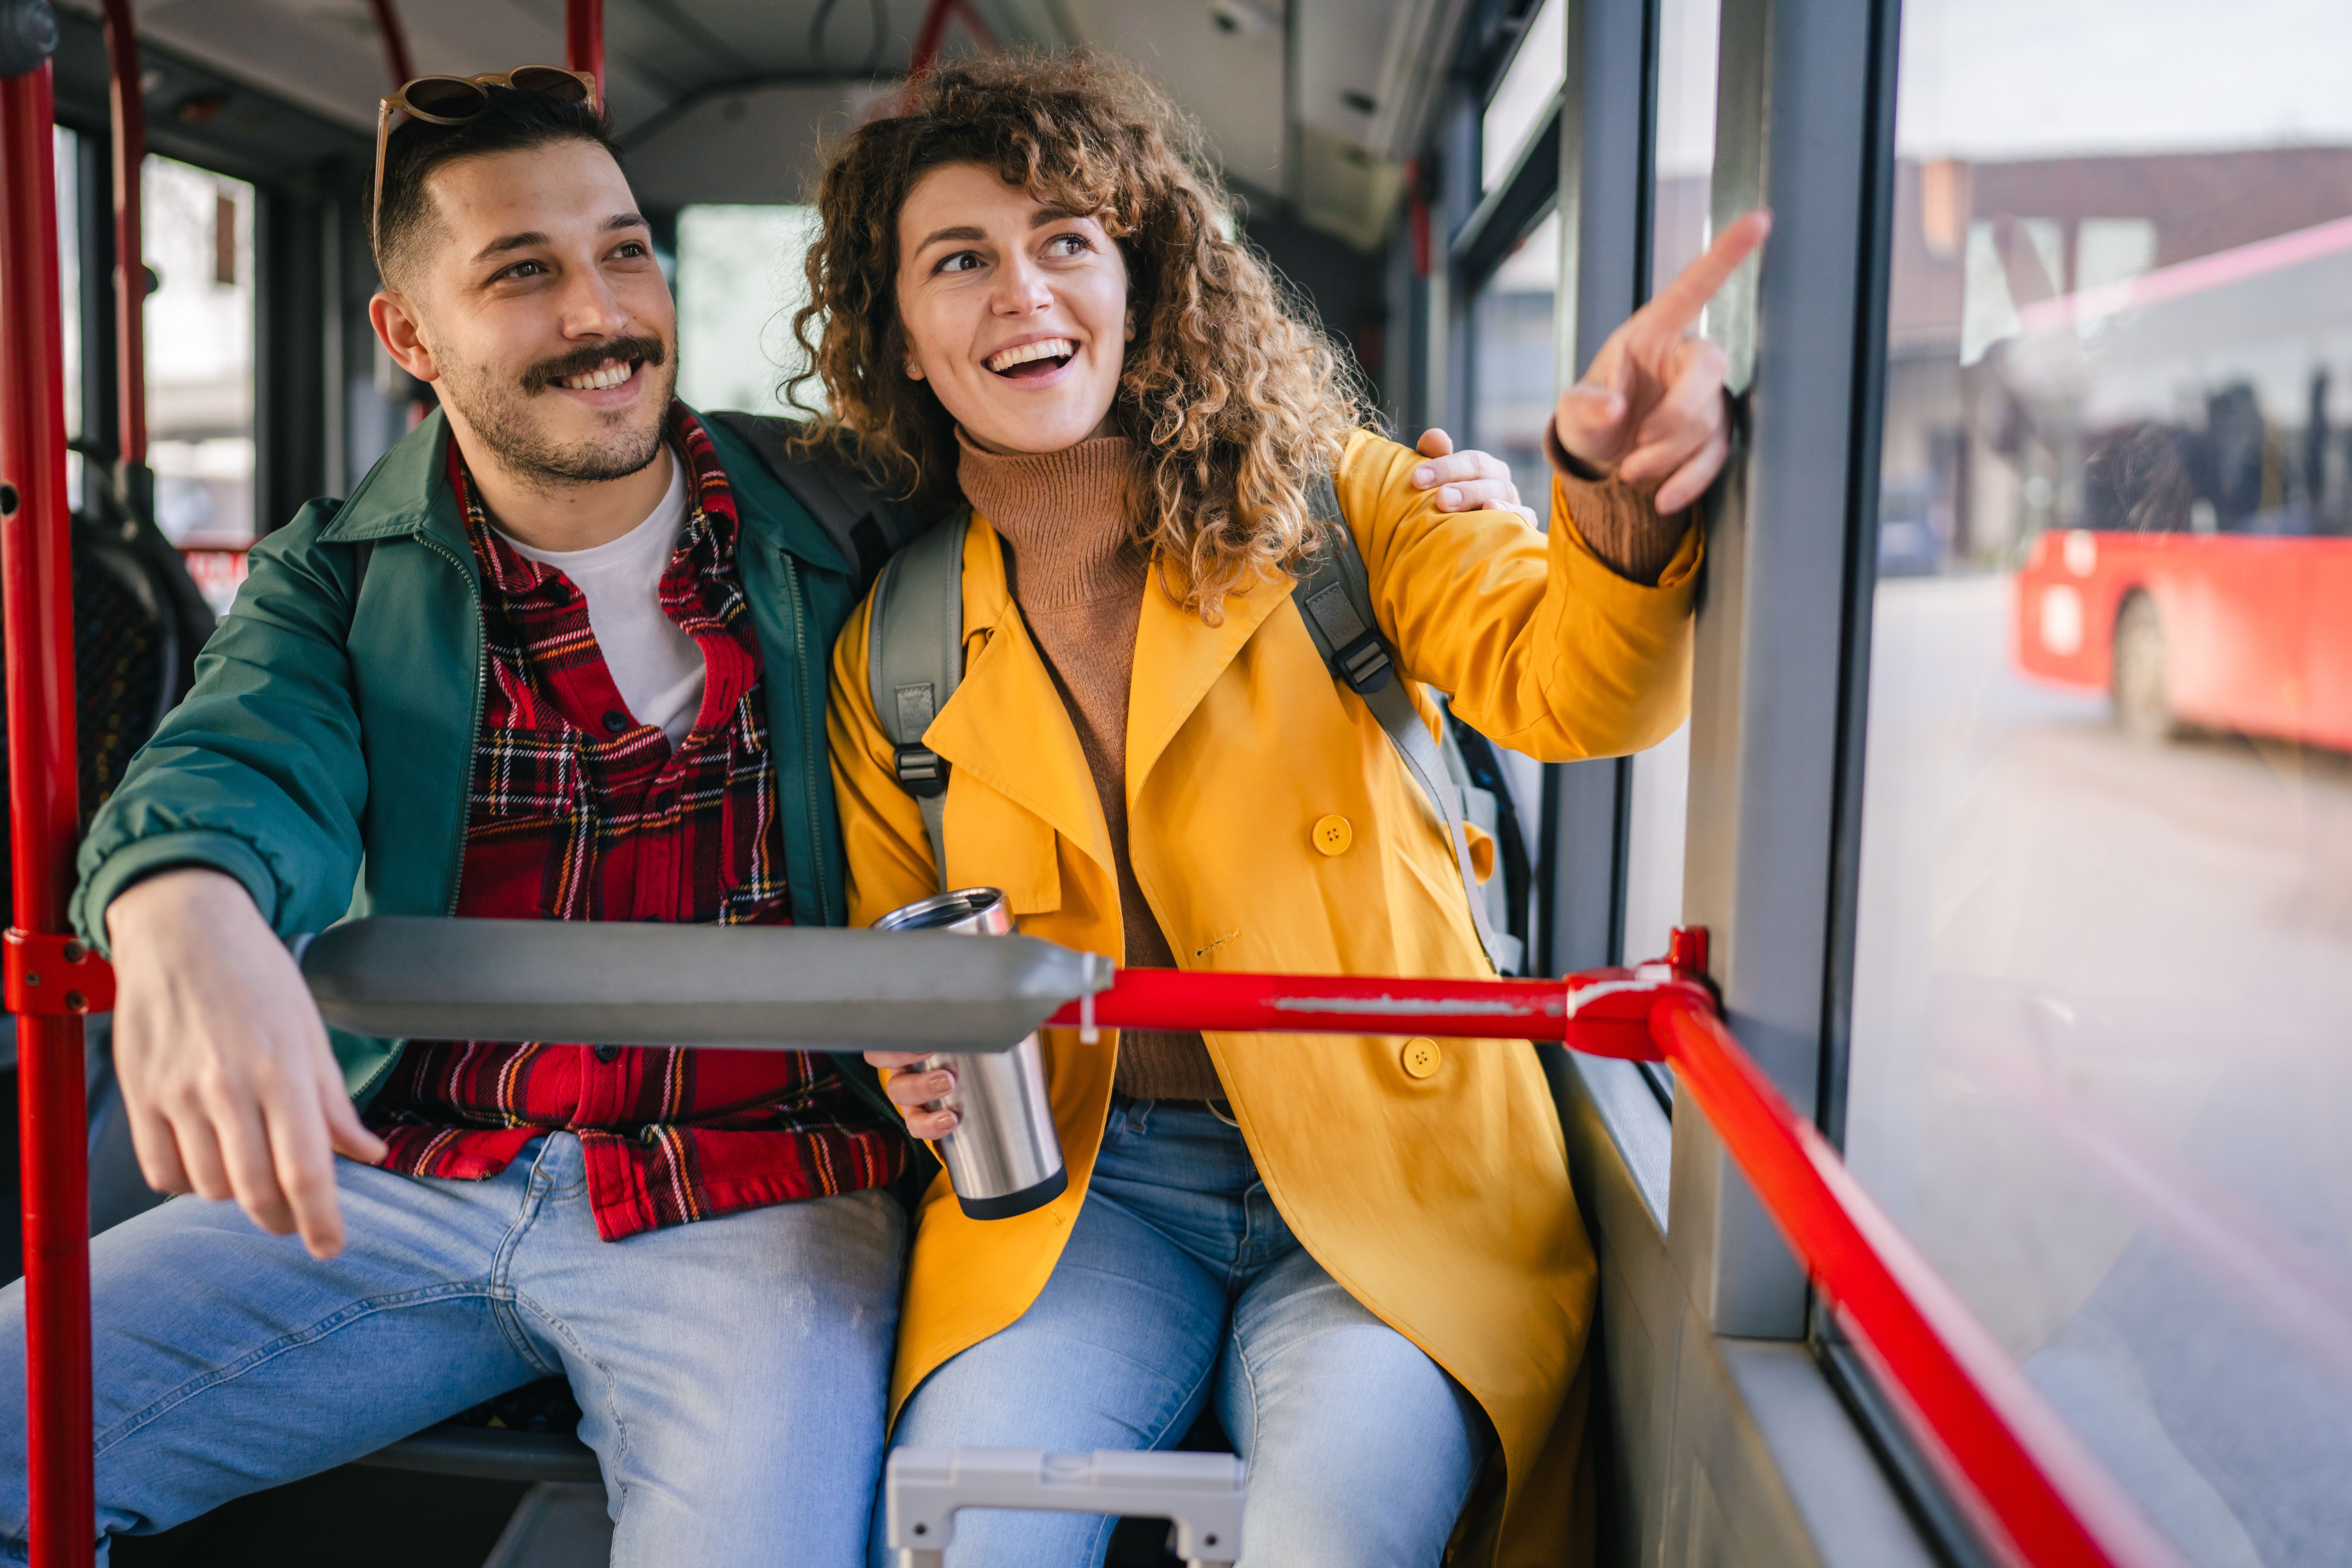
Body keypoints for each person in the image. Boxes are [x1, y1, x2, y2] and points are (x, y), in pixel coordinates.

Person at [810, 54, 1767, 1567]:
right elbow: (895, 966)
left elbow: (1577, 694)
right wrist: (907, 1067)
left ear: (1141, 281)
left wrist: (1609, 496)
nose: (1025, 293)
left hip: (1396, 1168)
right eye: (960, 261)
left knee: (1337, 1537)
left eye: (1068, 240)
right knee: (968, 1533)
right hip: (1086, 1198)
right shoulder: (897, 651)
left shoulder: (1351, 513)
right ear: (902, 339)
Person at [0, 76, 921, 1565]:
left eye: (626, 252)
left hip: (762, 1183)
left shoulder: (848, 514)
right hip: (420, 1159)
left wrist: (1404, 508)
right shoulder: (339, 579)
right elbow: (237, 760)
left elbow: (1103, 472)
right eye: (524, 273)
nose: (603, 313)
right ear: (410, 338)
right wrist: (182, 901)